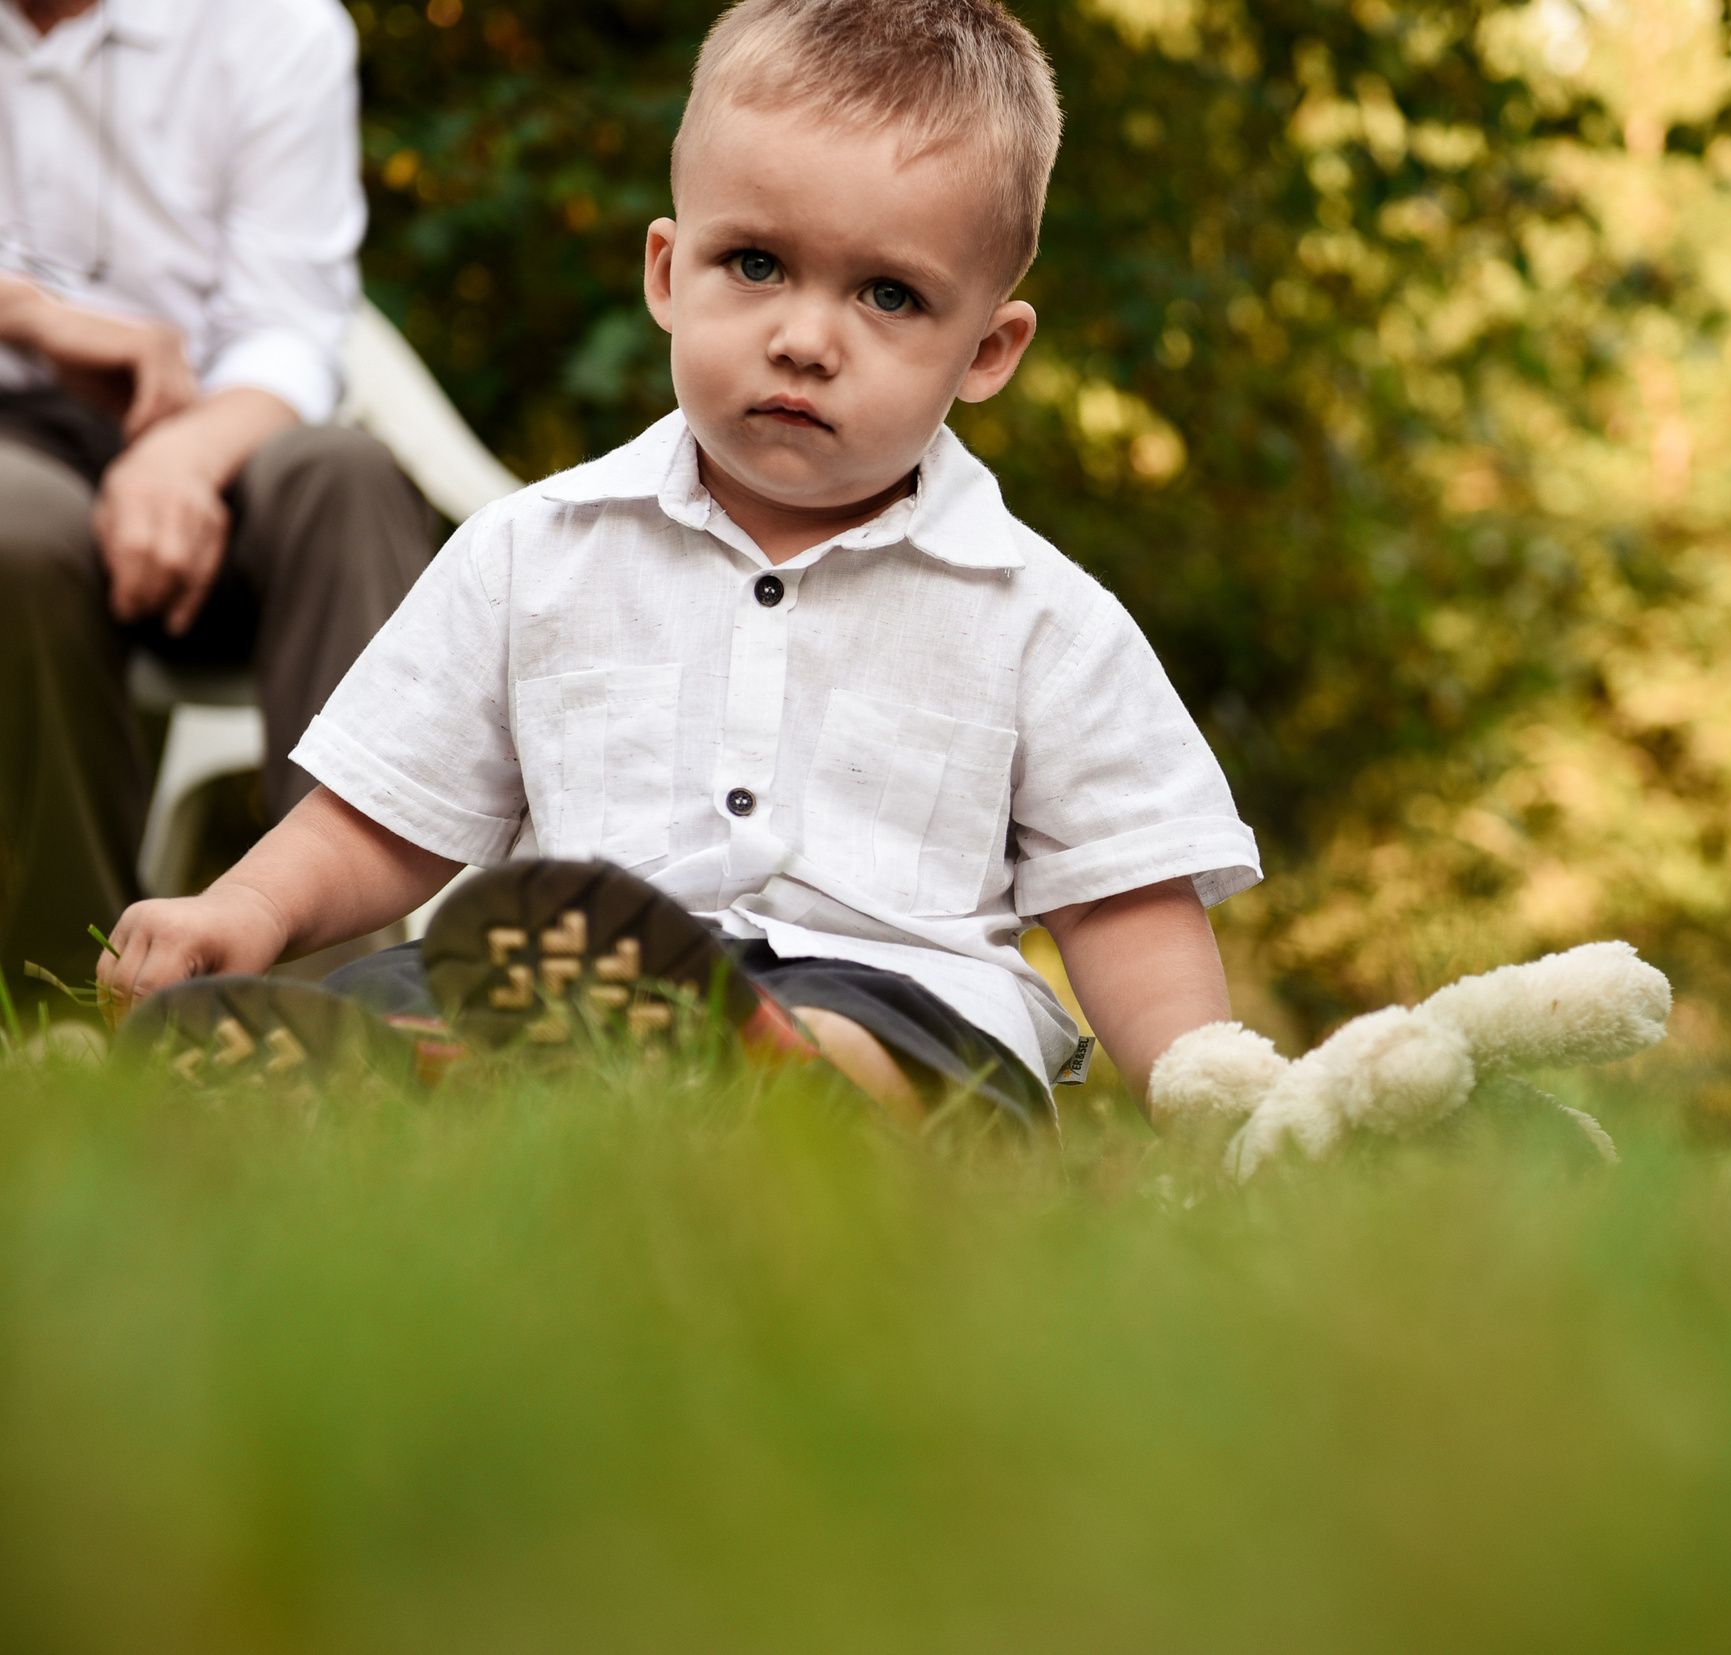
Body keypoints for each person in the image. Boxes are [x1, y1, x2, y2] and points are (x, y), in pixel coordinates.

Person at [97, 0, 1258, 1125]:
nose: (803, 337)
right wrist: (244, 904)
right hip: (571, 979)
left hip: (895, 995)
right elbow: (386, 814)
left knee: (892, 1042)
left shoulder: (1040, 617)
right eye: (754, 264)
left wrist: (1213, 1108)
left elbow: (1125, 901)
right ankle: (398, 1077)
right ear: (665, 272)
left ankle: (764, 1080)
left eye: (889, 294)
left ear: (988, 350)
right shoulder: (534, 550)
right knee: (398, 987)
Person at [0, 0, 441, 1019]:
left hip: (225, 414)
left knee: (349, 477)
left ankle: (344, 1006)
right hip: (17, 436)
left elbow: (291, 322)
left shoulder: (275, 26)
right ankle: (69, 998)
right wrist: (38, 317)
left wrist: (180, 459)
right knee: (16, 533)